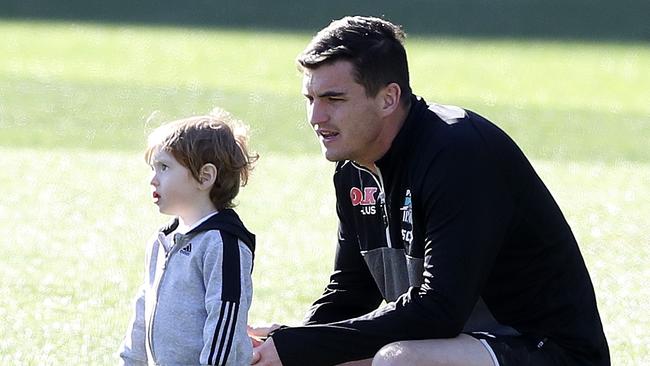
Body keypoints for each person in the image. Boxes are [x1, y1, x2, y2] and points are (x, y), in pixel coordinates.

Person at [249, 16, 609, 366]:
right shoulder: (353, 169)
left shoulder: (457, 153)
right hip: (464, 348)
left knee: (399, 361)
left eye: (334, 99)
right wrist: (291, 343)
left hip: (544, 349)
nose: (316, 117)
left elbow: (438, 311)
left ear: (389, 98)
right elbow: (351, 293)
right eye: (310, 99)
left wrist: (302, 346)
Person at [118, 109, 258, 365]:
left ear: (204, 177)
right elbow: (142, 312)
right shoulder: (162, 241)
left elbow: (224, 319)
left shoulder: (223, 244)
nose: (153, 179)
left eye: (164, 167)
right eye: (153, 168)